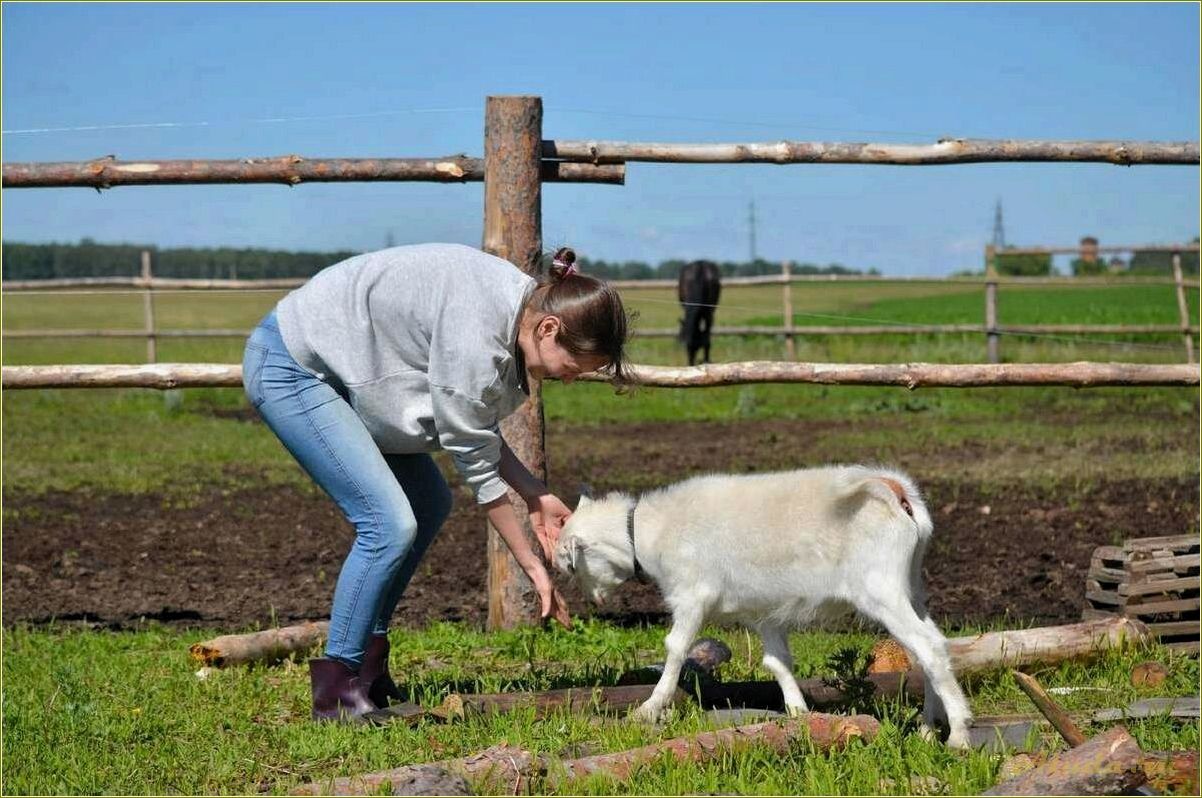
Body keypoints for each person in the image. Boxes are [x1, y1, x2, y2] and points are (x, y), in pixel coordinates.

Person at [241, 243, 629, 721]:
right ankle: (337, 688)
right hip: (295, 367)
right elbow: (471, 453)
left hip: (341, 375)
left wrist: (536, 494)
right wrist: (531, 562)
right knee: (388, 524)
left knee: (427, 502)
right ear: (549, 328)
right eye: (571, 368)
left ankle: (368, 669)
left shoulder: (511, 310)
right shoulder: (481, 327)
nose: (567, 380)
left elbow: (471, 426)